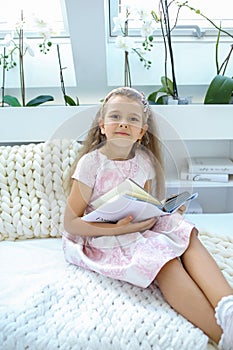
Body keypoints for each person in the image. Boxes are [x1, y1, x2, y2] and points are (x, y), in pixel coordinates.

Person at [62, 87, 233, 349]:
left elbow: (140, 202)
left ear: (142, 132)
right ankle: (222, 335)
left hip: (135, 224)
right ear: (102, 126)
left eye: (132, 119)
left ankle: (228, 308)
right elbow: (71, 222)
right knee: (164, 261)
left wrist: (163, 210)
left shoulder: (144, 161)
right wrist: (118, 230)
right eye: (115, 116)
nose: (123, 123)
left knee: (186, 231)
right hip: (100, 235)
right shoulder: (91, 163)